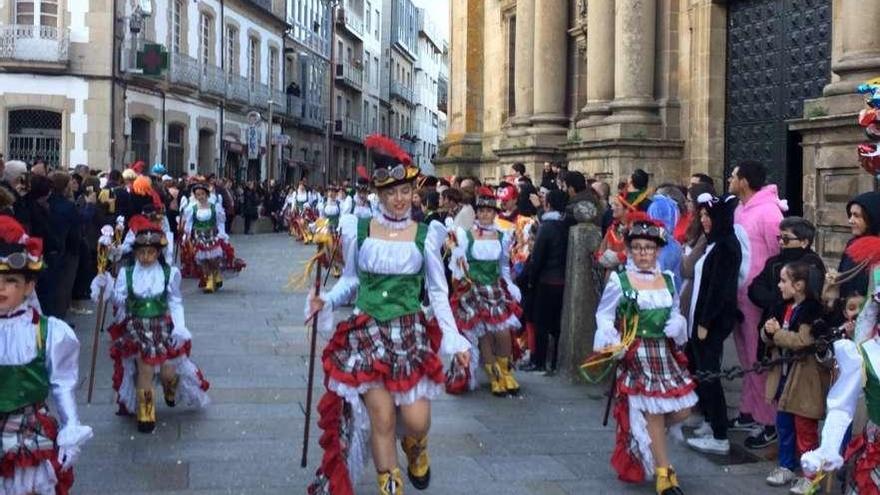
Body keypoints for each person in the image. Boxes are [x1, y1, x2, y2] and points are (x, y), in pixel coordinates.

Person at [306, 134, 470, 495]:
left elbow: (439, 294)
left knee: (416, 419)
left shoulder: (426, 235)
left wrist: (455, 338)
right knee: (380, 417)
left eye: (405, 191)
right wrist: (327, 301)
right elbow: (351, 282)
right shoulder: (359, 230)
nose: (398, 199)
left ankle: (415, 446)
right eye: (390, 192)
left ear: (413, 192)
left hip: (409, 335)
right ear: (378, 194)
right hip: (367, 335)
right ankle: (390, 485)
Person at [593, 212, 696, 495]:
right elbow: (604, 315)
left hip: (664, 354)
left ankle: (646, 439)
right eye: (637, 248)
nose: (643, 253)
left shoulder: (668, 279)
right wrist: (612, 341)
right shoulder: (620, 280)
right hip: (635, 352)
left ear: (658, 250)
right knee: (653, 409)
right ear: (629, 250)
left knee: (683, 409)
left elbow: (674, 310)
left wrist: (678, 323)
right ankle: (665, 474)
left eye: (649, 248)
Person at [0, 216, 93, 493]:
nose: (1, 288)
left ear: (29, 286)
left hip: (28, 428)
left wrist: (71, 426)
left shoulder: (48, 331)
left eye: (11, 281)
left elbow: (62, 384)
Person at [96, 215, 209, 433]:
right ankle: (146, 412)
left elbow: (175, 302)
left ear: (158, 252)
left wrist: (180, 326)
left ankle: (170, 387)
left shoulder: (169, 273)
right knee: (145, 368)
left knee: (168, 371)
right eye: (141, 252)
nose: (146, 257)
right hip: (136, 327)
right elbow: (121, 302)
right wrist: (108, 290)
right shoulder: (126, 274)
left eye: (150, 252)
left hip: (161, 327)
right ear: (135, 252)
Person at [729, 160, 788, 448]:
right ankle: (749, 410)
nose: (729, 178)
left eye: (733, 175)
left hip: (759, 298)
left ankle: (769, 420)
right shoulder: (740, 209)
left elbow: (780, 256)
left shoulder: (769, 212)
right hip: (740, 294)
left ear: (744, 181)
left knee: (760, 358)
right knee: (745, 356)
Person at [758, 261, 829, 494]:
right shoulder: (784, 306)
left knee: (805, 429)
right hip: (785, 378)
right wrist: (768, 331)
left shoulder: (811, 311)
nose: (779, 285)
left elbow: (803, 341)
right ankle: (787, 466)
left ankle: (811, 476)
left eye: (783, 280)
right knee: (784, 425)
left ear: (798, 285)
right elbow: (774, 335)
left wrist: (777, 333)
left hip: (804, 380)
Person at [448, 186, 523, 396]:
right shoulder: (465, 236)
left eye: (489, 211)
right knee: (483, 334)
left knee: (502, 331)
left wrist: (510, 284)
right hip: (474, 290)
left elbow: (504, 266)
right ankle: (494, 375)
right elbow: (458, 267)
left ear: (494, 213)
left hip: (495, 289)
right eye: (481, 211)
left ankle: (506, 371)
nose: (485, 215)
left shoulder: (502, 236)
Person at [685, 194, 742, 455]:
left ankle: (720, 434)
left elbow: (719, 289)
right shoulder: (714, 243)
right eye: (703, 216)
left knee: (710, 375)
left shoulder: (727, 246)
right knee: (702, 372)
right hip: (699, 318)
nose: (704, 220)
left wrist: (705, 322)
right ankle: (710, 420)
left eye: (709, 216)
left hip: (711, 321)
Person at [524, 189, 569, 374]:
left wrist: (530, 279)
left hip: (546, 279)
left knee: (541, 323)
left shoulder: (547, 226)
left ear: (548, 204)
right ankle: (555, 361)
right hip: (562, 279)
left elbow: (537, 257)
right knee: (557, 324)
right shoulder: (566, 224)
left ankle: (539, 361)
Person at [182, 182, 243, 293]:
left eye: (202, 194)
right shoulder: (192, 208)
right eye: (198, 195)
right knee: (203, 259)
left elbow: (220, 222)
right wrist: (187, 236)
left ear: (207, 195)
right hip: (199, 236)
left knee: (214, 258)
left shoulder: (215, 208)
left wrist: (222, 234)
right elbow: (189, 224)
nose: (200, 197)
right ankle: (209, 279)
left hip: (212, 236)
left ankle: (216, 273)